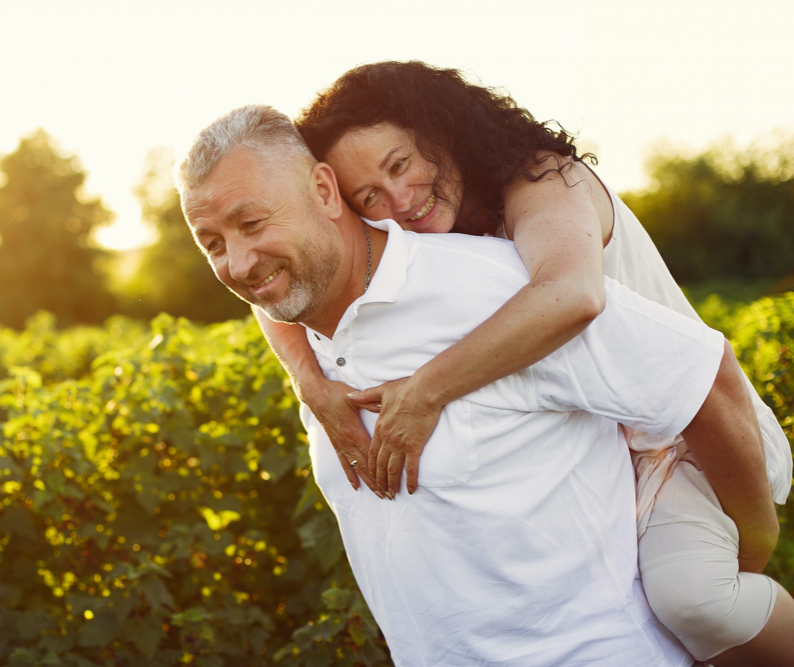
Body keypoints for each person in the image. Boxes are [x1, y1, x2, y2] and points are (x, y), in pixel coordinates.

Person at [174, 104, 781, 666]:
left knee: (698, 597)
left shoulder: (503, 286)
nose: (239, 262)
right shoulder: (308, 332)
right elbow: (266, 295)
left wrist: (755, 541)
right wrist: (307, 380)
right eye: (212, 244)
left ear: (324, 192)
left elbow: (699, 374)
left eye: (251, 223)